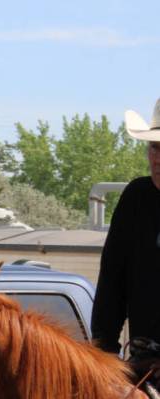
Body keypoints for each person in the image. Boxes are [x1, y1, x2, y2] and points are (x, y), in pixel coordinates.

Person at [91, 97, 160, 363]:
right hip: (144, 358)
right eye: (154, 147)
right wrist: (103, 351)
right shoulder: (136, 197)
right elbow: (112, 279)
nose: (157, 158)